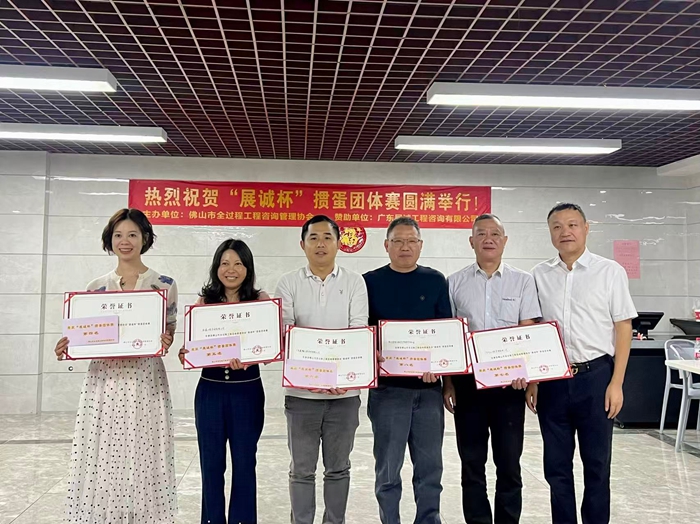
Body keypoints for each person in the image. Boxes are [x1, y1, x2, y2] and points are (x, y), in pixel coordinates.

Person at [54, 208, 178, 524]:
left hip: (145, 378)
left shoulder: (164, 285)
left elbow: (169, 332)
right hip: (105, 379)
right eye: (118, 235)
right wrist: (69, 345)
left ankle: (144, 514)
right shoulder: (95, 287)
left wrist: (166, 340)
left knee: (145, 447)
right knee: (105, 448)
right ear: (109, 240)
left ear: (145, 238)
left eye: (133, 234)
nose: (125, 241)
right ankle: (107, 513)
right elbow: (85, 335)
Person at [529, 203, 636, 524]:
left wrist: (616, 383)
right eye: (557, 226)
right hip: (552, 380)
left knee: (597, 465)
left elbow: (623, 327)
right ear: (550, 233)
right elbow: (533, 330)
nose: (565, 232)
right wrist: (533, 379)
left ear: (586, 228)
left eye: (572, 225)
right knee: (556, 468)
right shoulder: (538, 275)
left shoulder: (610, 271)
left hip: (597, 377)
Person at [443, 214, 541, 524]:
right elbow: (450, 338)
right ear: (471, 241)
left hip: (510, 386)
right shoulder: (454, 282)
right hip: (468, 385)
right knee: (472, 463)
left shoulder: (523, 281)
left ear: (505, 241)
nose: (489, 239)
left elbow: (528, 330)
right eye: (482, 233)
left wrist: (532, 381)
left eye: (495, 233)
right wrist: (448, 383)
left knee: (509, 464)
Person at [275, 215, 369, 524]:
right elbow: (286, 333)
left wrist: (340, 377)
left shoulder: (354, 282)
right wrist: (313, 378)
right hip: (301, 395)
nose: (320, 244)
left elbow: (358, 331)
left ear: (338, 244)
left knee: (338, 469)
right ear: (302, 244)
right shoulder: (288, 282)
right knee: (301, 470)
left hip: (345, 395)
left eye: (327, 237)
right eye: (313, 237)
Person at [363, 216, 452, 524]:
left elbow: (445, 333)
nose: (405, 247)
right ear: (386, 245)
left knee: (430, 469)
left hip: (429, 392)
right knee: (388, 469)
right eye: (398, 241)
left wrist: (443, 374)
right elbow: (362, 332)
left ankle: (429, 519)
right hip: (388, 392)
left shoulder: (435, 280)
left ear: (420, 245)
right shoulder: (369, 282)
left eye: (411, 241)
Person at [178, 239, 269, 524]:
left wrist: (256, 355)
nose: (231, 270)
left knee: (244, 463)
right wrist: (186, 353)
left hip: (247, 391)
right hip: (211, 391)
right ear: (216, 267)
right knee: (211, 464)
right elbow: (192, 347)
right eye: (225, 263)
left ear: (248, 268)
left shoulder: (261, 301)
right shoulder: (204, 303)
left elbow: (271, 346)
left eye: (238, 263)